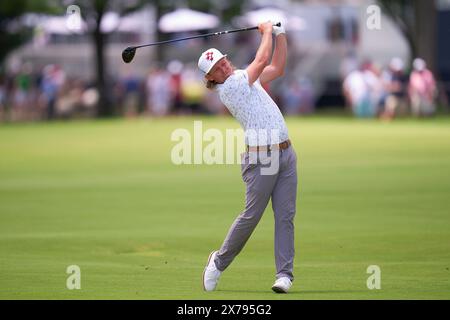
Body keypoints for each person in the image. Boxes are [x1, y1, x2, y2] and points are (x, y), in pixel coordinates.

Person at [198, 21, 298, 293]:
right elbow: (262, 57)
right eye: (216, 69)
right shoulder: (230, 88)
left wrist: (280, 34)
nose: (223, 67)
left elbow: (276, 68)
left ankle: (284, 275)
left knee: (285, 216)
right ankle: (218, 262)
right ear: (212, 80)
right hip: (262, 159)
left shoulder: (242, 76)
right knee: (251, 216)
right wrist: (266, 32)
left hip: (286, 153)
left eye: (222, 61)